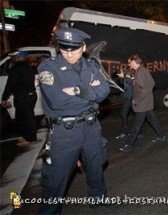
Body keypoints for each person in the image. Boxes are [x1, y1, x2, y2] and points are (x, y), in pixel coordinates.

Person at [37, 27, 110, 214]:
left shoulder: (91, 66)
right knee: (56, 179)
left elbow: (104, 92)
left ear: (83, 47)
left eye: (74, 49)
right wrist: (89, 92)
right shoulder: (47, 67)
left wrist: (76, 90)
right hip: (65, 132)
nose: (69, 54)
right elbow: (57, 101)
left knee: (95, 166)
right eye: (65, 48)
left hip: (91, 127)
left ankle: (99, 197)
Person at [119, 54, 165, 152]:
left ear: (133, 61)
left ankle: (129, 144)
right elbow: (151, 83)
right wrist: (129, 81)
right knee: (152, 120)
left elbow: (143, 89)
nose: (129, 64)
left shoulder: (139, 72)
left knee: (137, 125)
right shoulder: (144, 70)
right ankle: (161, 135)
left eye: (130, 62)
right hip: (147, 102)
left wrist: (136, 100)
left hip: (142, 104)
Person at [1, 51, 38, 147]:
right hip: (30, 96)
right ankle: (26, 136)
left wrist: (4, 98)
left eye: (14, 56)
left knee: (26, 118)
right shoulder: (28, 66)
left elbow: (10, 84)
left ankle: (31, 138)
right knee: (22, 117)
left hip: (23, 97)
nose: (13, 58)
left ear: (18, 57)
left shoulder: (16, 68)